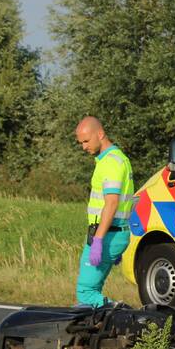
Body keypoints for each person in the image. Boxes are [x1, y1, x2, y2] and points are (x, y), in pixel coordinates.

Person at [74, 116, 134, 308]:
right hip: (113, 233)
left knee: (86, 293)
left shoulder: (111, 162)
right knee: (93, 292)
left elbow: (112, 203)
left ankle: (123, 315)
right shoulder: (116, 159)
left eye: (86, 141)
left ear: (100, 134)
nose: (83, 147)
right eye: (80, 143)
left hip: (106, 234)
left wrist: (99, 241)